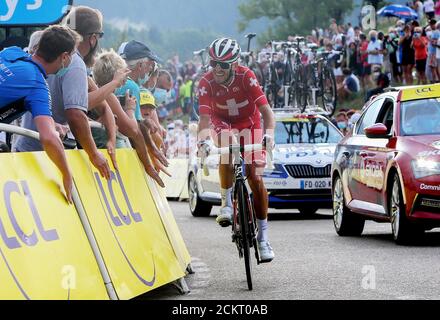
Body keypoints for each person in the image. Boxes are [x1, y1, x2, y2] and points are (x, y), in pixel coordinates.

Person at [197, 38, 275, 262]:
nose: (218, 69)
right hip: (222, 123)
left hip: (250, 124)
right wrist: (202, 141)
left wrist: (269, 135)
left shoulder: (246, 76)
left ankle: (263, 238)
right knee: (227, 146)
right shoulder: (206, 83)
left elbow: (267, 114)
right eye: (214, 63)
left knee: (255, 176)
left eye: (223, 64)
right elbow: (204, 119)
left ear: (234, 63)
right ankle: (226, 203)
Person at [0, 25, 79, 203]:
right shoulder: (38, 86)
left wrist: (51, 122)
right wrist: (66, 173)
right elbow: (49, 138)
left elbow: (10, 87)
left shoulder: (12, 53)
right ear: (64, 57)